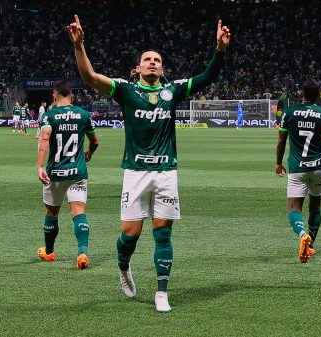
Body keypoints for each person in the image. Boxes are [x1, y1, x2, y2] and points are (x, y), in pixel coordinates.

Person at [67, 15, 230, 312]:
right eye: (147, 59)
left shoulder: (174, 91)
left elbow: (207, 77)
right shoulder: (126, 91)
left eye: (157, 59)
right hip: (135, 172)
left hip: (166, 171)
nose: (153, 62)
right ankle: (123, 266)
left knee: (163, 232)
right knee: (130, 233)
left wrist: (219, 50)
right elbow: (90, 77)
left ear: (162, 68)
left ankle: (162, 292)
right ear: (139, 67)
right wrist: (79, 45)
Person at [36, 80, 99, 269]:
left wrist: (40, 166)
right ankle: (82, 253)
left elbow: (45, 139)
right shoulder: (83, 115)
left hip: (55, 173)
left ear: (54, 95)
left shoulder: (49, 116)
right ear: (72, 96)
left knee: (52, 212)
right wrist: (89, 152)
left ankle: (49, 251)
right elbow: (95, 142)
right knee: (79, 212)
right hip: (77, 171)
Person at [275, 79, 321, 263]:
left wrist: (278, 163)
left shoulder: (288, 113)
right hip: (318, 167)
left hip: (296, 168)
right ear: (319, 95)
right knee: (315, 206)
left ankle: (302, 235)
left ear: (301, 93)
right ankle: (310, 245)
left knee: (294, 208)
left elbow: (281, 141)